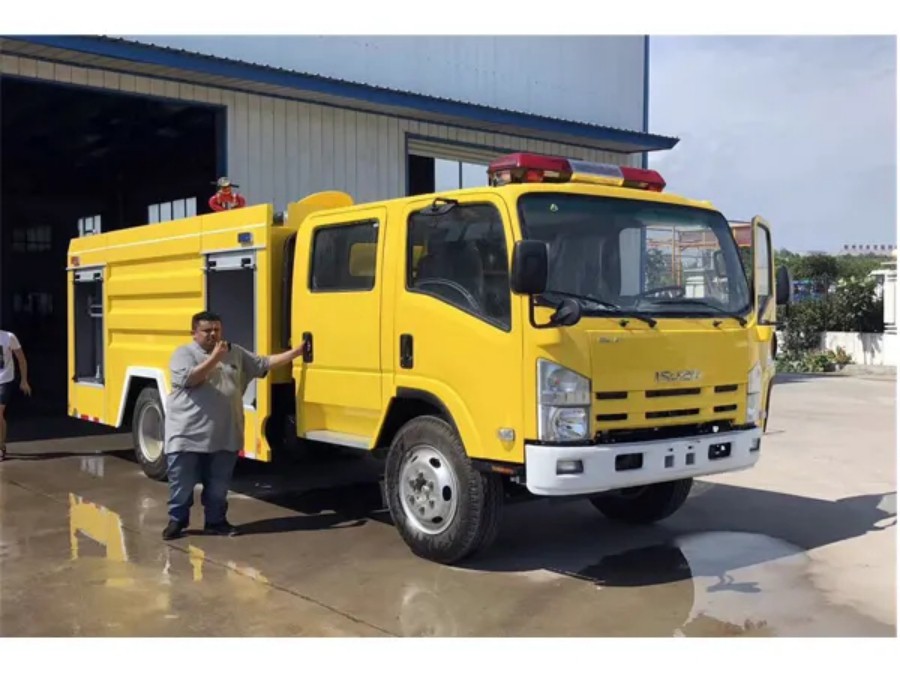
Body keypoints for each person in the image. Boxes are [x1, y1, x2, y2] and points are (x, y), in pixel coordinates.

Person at [162, 311, 306, 540]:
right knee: (182, 484)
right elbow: (190, 379)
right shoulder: (183, 354)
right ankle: (177, 521)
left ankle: (216, 522)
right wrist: (215, 358)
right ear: (194, 333)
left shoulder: (234, 352)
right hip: (187, 435)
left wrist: (297, 352)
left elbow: (263, 363)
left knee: (218, 486)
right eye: (207, 330)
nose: (213, 334)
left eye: (217, 330)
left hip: (225, 434)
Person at [0, 328, 31, 461]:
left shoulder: (9, 337)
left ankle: (1, 446)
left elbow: (21, 359)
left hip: (4, 380)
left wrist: (24, 380)